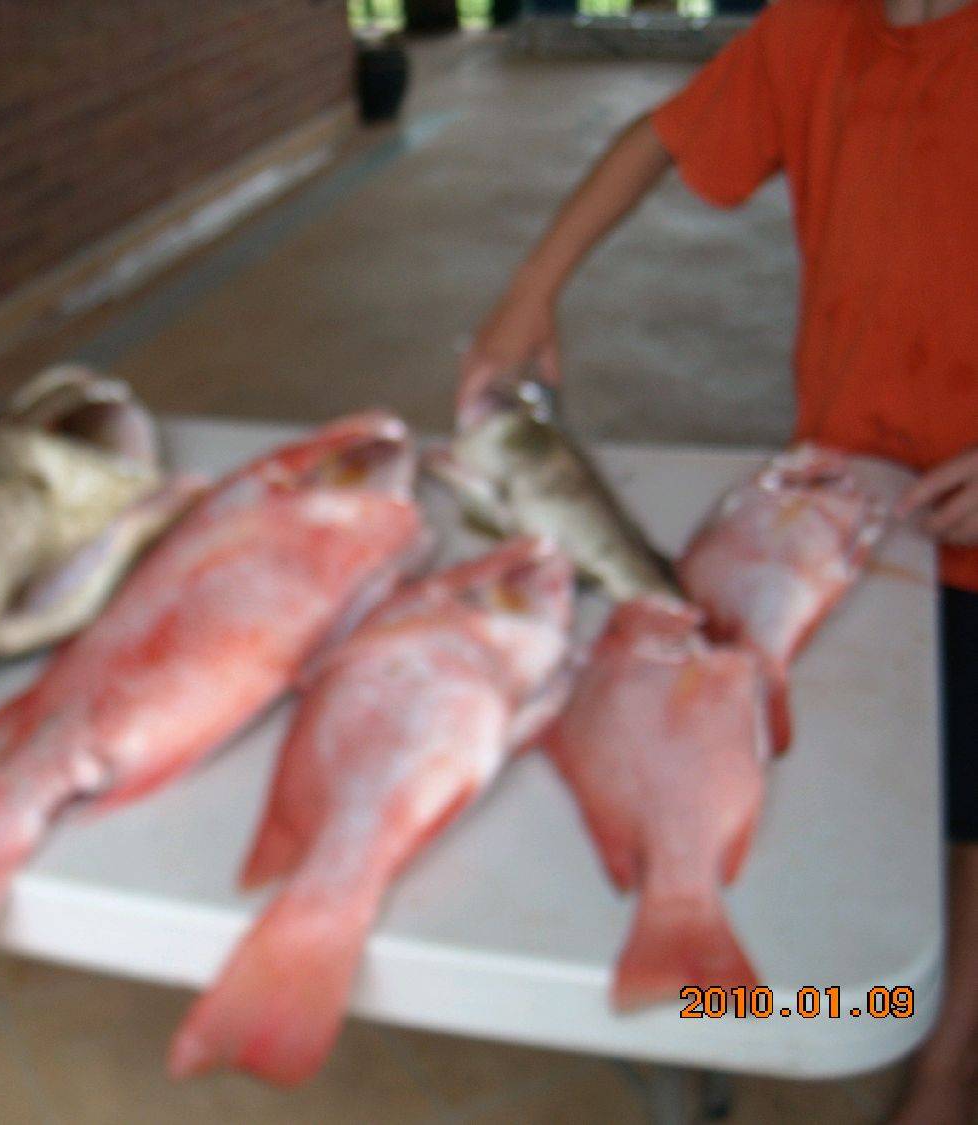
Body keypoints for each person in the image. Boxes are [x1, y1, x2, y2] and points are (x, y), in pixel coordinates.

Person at [459, 1, 977, 1120]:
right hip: (838, 510)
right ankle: (767, 1016)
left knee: (973, 811)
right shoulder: (817, 27)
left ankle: (942, 1069)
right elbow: (661, 134)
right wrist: (528, 293)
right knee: (796, 763)